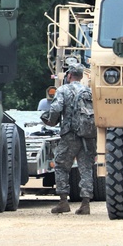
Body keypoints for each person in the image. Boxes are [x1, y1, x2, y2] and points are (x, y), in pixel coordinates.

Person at [40, 65, 94, 215]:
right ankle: (85, 203)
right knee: (86, 168)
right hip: (88, 135)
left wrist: (50, 120)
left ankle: (63, 201)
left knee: (61, 166)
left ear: (69, 75)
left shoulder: (63, 90)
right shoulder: (89, 91)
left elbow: (56, 109)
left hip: (70, 135)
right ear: (82, 76)